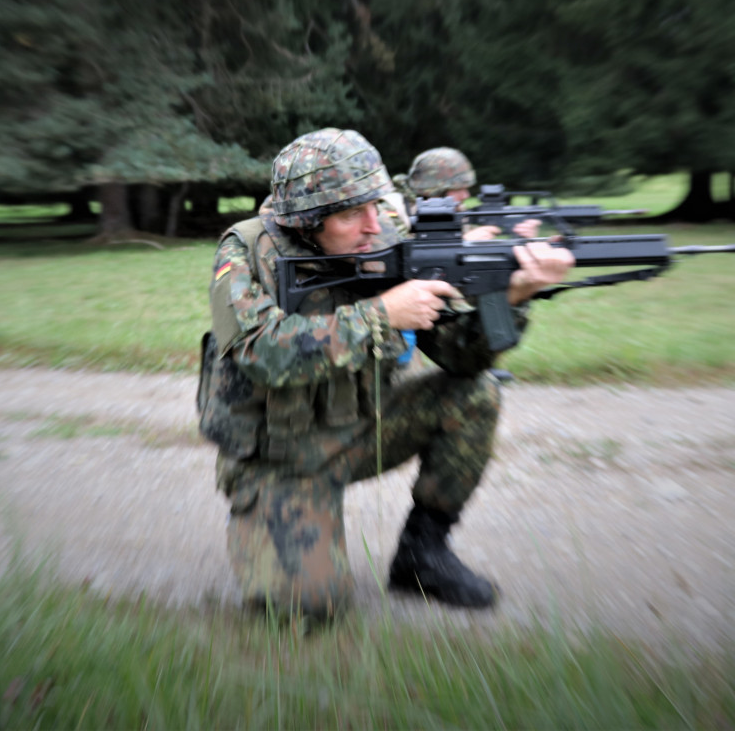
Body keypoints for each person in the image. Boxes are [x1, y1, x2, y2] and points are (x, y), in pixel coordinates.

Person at [198, 128, 574, 618]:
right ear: (308, 220)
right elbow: (260, 352)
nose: (374, 225)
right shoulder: (248, 252)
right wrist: (382, 315)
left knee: (475, 393)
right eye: (352, 213)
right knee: (302, 610)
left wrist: (514, 296)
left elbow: (462, 357)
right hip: (278, 455)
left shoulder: (387, 237)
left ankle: (422, 555)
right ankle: (272, 522)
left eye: (375, 204)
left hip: (363, 429)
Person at [397, 146, 541, 240]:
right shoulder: (394, 212)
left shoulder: (457, 211)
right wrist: (465, 242)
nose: (466, 196)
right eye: (458, 189)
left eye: (466, 188)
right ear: (433, 190)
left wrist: (522, 239)